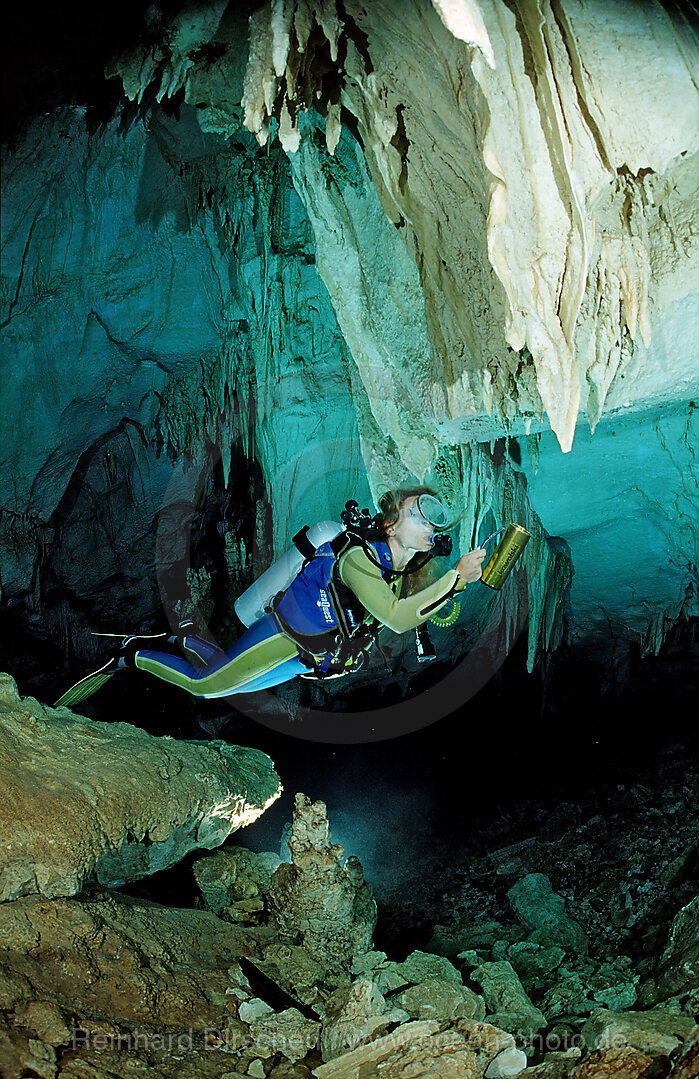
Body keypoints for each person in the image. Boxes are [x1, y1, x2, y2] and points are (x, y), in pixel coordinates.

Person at [55, 488, 486, 706]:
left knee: (227, 687)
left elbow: (399, 613)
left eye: (432, 520)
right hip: (282, 636)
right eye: (416, 511)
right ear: (391, 525)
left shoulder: (394, 570)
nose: (428, 521)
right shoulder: (358, 559)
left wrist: (458, 581)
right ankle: (129, 655)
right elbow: (395, 617)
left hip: (302, 658)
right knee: (206, 689)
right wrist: (457, 578)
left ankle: (183, 636)